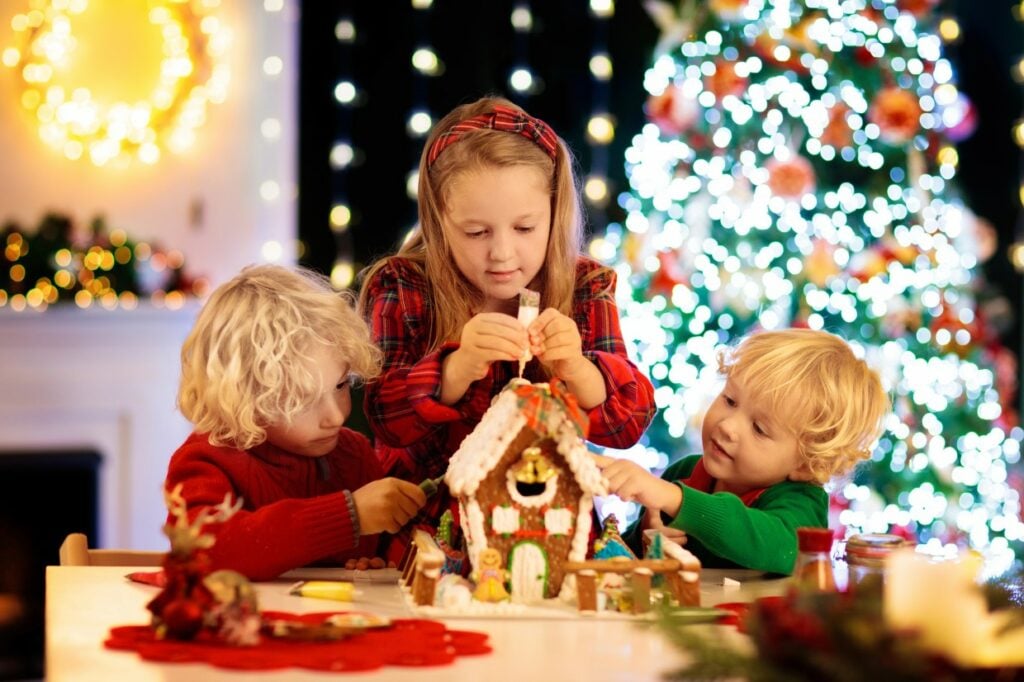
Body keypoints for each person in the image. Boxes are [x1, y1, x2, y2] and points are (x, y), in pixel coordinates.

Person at [358, 96, 655, 560]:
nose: (501, 253)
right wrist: (455, 369)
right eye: (476, 233)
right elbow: (384, 416)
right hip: (428, 534)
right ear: (439, 222)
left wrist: (577, 368)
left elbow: (629, 423)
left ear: (554, 215)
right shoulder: (403, 286)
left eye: (524, 228)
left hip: (550, 526)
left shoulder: (584, 288)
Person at [165, 265, 426, 581]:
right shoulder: (206, 460)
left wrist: (381, 561)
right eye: (304, 399)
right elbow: (204, 553)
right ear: (245, 394)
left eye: (341, 386)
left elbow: (385, 548)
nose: (336, 416)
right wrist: (350, 516)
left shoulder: (353, 455)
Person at [595, 328, 890, 575]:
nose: (727, 426)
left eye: (760, 428)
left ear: (805, 464)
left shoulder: (801, 503)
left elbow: (774, 545)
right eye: (730, 400)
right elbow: (623, 559)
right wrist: (645, 535)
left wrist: (676, 500)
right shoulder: (685, 474)